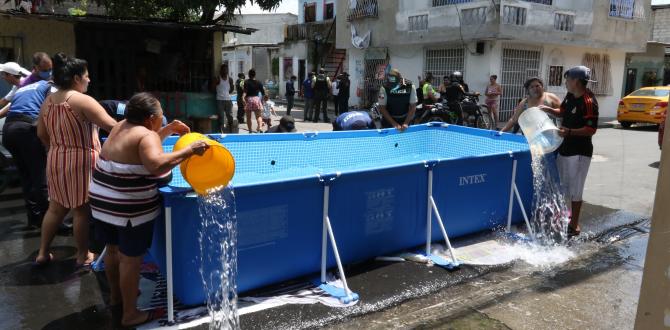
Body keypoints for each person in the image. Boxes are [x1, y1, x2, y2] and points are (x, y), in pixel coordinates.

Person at [89, 93, 208, 328]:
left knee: (112, 251)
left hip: (102, 200)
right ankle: (130, 314)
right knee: (130, 260)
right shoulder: (146, 136)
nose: (163, 117)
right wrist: (190, 150)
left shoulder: (121, 126)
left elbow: (143, 147)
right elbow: (156, 164)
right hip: (128, 209)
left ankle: (117, 299)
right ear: (152, 118)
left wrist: (169, 129)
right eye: (162, 114)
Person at [34, 53, 118, 266]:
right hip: (81, 160)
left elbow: (41, 135)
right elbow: (112, 127)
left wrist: (58, 148)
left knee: (55, 208)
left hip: (55, 157)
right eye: (86, 76)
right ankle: (82, 255)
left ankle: (43, 253)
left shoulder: (48, 102)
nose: (89, 80)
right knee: (81, 210)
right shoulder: (82, 101)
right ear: (76, 78)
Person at [538, 66, 599, 237]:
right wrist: (548, 109)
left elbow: (591, 129)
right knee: (563, 184)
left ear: (576, 81)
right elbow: (562, 112)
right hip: (565, 147)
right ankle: (562, 217)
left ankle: (574, 224)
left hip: (580, 151)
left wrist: (570, 132)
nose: (565, 82)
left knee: (576, 188)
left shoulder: (589, 102)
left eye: (567, 79)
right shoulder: (571, 96)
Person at [1, 68, 49, 228]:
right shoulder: (48, 86)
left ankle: (34, 219)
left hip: (9, 130)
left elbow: (5, 111)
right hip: (26, 130)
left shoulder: (23, 90)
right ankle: (51, 222)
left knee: (26, 177)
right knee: (41, 176)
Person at [242, 68, 265, 133]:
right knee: (258, 116)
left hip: (249, 99)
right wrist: (262, 101)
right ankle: (260, 127)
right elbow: (263, 93)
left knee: (249, 117)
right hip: (256, 99)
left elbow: (245, 92)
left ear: (249, 75)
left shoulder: (246, 82)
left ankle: (250, 130)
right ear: (255, 75)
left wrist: (243, 97)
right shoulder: (259, 82)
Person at [214, 64, 235, 133]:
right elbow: (212, 87)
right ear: (221, 70)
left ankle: (231, 130)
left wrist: (226, 93)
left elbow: (232, 89)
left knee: (230, 116)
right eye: (224, 69)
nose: (225, 71)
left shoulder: (230, 79)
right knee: (221, 117)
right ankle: (221, 131)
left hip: (228, 100)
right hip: (219, 100)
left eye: (226, 70)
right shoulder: (217, 78)